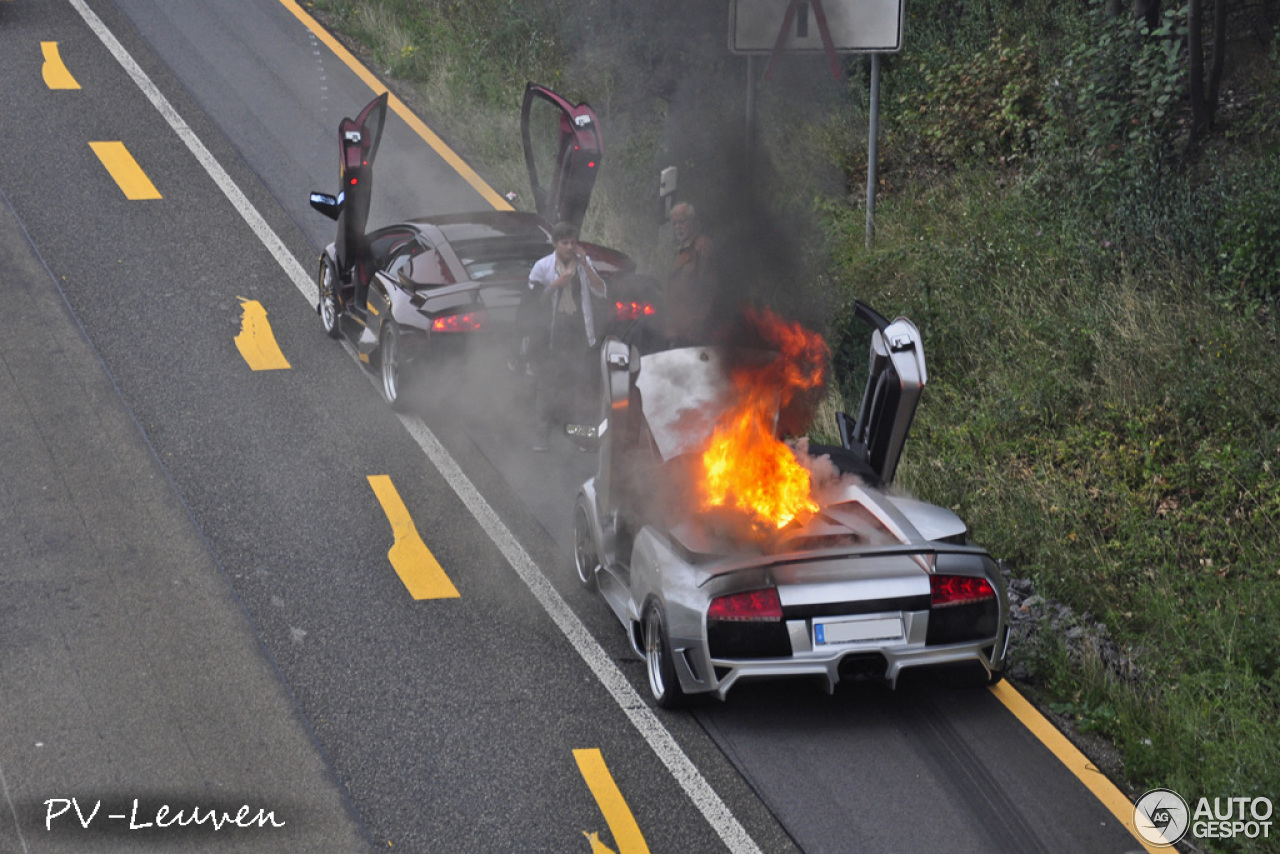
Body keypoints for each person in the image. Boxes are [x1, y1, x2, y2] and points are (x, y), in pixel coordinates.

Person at [527, 221, 607, 451]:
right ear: (555, 244)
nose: (570, 247)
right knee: (547, 388)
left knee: (581, 389)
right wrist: (555, 285)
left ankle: (582, 438)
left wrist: (586, 265)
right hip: (552, 338)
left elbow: (600, 290)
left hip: (579, 336)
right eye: (565, 243)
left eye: (573, 242)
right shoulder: (543, 267)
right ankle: (542, 437)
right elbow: (533, 302)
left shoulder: (583, 264)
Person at [663, 202, 715, 345]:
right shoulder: (681, 250)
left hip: (694, 334)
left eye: (682, 222)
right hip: (678, 331)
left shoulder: (703, 247)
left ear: (693, 222)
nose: (677, 227)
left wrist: (698, 327)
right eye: (674, 224)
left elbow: (708, 291)